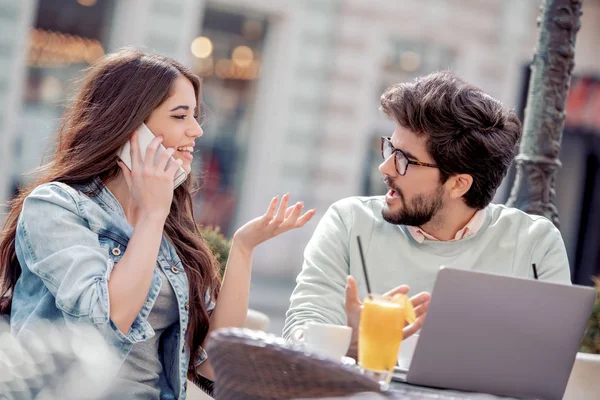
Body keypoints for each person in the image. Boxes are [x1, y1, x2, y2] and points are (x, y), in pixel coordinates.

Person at [0, 48, 315, 399]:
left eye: (195, 116)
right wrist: (152, 215)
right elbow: (105, 324)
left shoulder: (168, 223)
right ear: (131, 125)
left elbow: (213, 363)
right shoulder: (55, 207)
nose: (196, 130)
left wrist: (243, 247)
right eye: (180, 116)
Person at [283, 71, 571, 357]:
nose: (385, 168)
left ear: (458, 184)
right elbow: (301, 333)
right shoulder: (348, 222)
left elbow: (550, 360)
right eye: (390, 149)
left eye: (404, 160)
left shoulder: (535, 244)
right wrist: (350, 345)